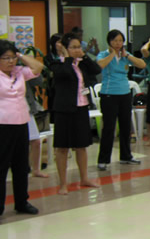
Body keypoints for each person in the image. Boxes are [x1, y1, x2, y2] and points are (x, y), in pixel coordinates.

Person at [50, 32, 101, 195]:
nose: (77, 50)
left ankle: (84, 178)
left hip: (81, 107)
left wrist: (84, 56)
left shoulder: (82, 63)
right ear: (65, 49)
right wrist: (66, 57)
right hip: (64, 110)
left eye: (79, 46)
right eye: (73, 47)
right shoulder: (57, 63)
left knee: (81, 146)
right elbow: (64, 74)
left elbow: (96, 69)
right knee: (62, 148)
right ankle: (63, 183)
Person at [0, 40, 43, 216]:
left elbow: (38, 67)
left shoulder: (19, 72)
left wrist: (19, 55)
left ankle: (21, 202)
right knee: (2, 166)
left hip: (21, 123)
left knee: (21, 165)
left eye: (12, 57)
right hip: (3, 125)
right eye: (6, 58)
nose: (10, 61)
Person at [96, 29, 146, 171]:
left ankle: (126, 156)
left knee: (125, 126)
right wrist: (112, 54)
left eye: (120, 41)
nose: (118, 44)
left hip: (125, 94)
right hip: (109, 94)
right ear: (109, 42)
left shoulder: (125, 55)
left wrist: (127, 55)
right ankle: (103, 159)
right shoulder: (103, 54)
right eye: (115, 41)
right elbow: (99, 66)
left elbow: (142, 64)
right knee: (109, 127)